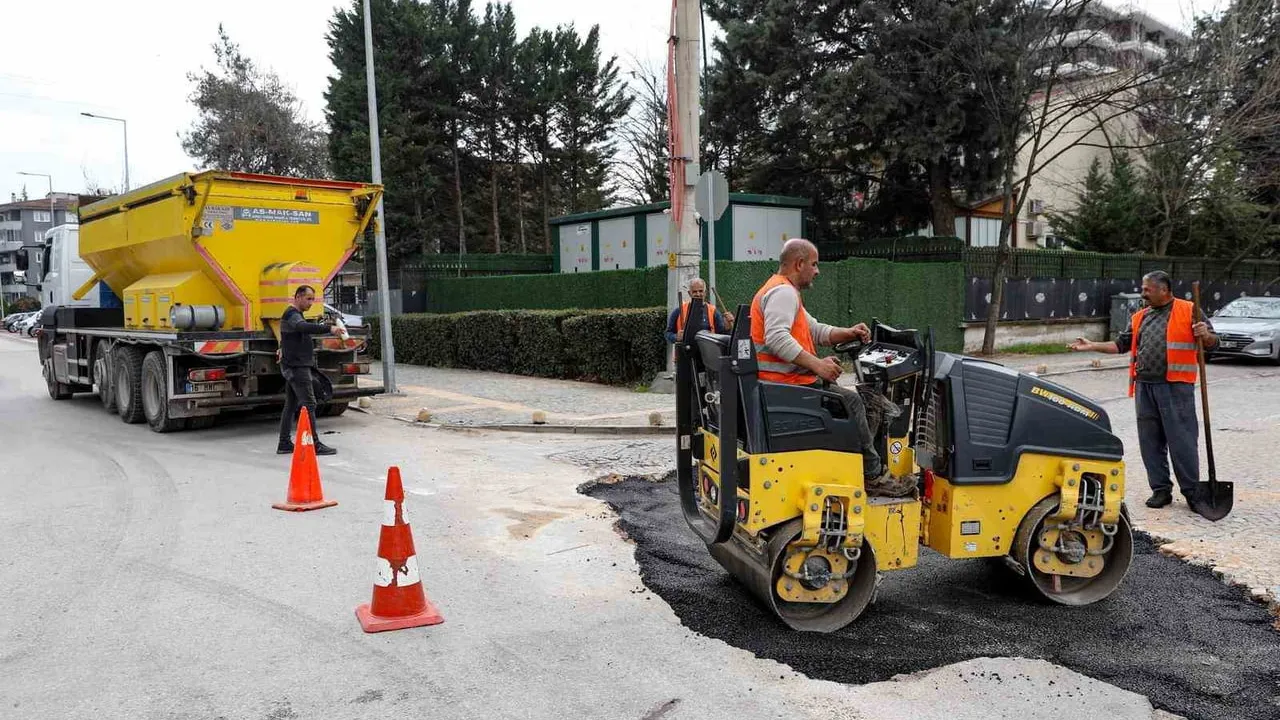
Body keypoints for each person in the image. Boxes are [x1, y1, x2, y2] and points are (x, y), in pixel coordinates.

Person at [751, 238, 906, 494]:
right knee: (853, 402)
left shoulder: (782, 290)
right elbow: (776, 337)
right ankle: (873, 475)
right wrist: (818, 365)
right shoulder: (783, 293)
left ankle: (860, 466)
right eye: (814, 264)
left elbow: (815, 330)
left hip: (784, 384)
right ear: (799, 264)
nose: (817, 271)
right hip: (786, 387)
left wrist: (848, 332)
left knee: (848, 398)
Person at [1068, 270, 1217, 514]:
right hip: (1145, 387)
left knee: (1182, 441)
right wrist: (1092, 345)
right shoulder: (1140, 316)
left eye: (1148, 289)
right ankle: (1160, 489)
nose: (1143, 293)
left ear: (1164, 290)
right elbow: (1121, 345)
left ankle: (1192, 492)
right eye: (1143, 288)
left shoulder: (1189, 310)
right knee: (1150, 442)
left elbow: (1213, 343)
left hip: (1176, 386)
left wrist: (1206, 335)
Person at [277, 285, 344, 456]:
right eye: (308, 299)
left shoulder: (295, 315)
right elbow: (302, 327)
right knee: (310, 404)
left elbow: (288, 335)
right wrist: (329, 329)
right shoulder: (292, 314)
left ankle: (284, 443)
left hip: (294, 366)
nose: (311, 303)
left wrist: (282, 347)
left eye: (313, 299)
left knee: (290, 405)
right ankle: (314, 444)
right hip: (297, 368)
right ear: (298, 297)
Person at [665, 278, 733, 344]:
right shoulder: (679, 311)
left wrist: (728, 328)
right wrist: (676, 337)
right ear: (689, 293)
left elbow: (722, 335)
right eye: (694, 292)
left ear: (705, 292)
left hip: (707, 350)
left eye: (700, 291)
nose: (698, 294)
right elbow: (668, 334)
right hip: (685, 350)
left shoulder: (713, 311)